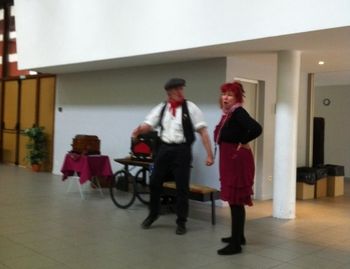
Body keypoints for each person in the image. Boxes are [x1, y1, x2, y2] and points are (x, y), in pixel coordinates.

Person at [132, 78, 214, 235]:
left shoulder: (191, 107)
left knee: (182, 187)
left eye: (181, 89)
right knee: (155, 182)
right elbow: (148, 125)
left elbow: (203, 131)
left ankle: (181, 221)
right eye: (176, 89)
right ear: (169, 92)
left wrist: (210, 154)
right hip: (163, 149)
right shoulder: (161, 108)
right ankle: (153, 214)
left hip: (182, 150)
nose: (180, 92)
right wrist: (138, 130)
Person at [214, 81, 262, 255]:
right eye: (224, 94)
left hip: (236, 160)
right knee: (235, 202)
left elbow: (256, 128)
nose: (226, 97)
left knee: (235, 202)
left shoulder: (238, 112)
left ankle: (236, 244)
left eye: (230, 95)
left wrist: (244, 141)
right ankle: (239, 236)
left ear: (237, 98)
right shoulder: (229, 114)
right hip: (229, 159)